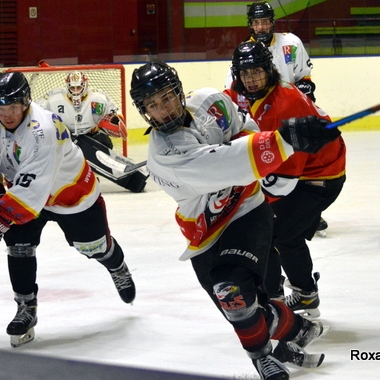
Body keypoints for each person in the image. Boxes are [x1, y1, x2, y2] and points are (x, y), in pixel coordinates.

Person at [130, 60, 341, 379]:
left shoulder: (209, 102)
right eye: (152, 105)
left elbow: (247, 131)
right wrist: (284, 141)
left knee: (234, 290)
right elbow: (230, 164)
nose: (163, 110)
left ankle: (265, 354)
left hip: (246, 210)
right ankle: (287, 334)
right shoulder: (167, 156)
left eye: (166, 97)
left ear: (178, 91)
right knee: (240, 307)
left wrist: (280, 140)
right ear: (144, 111)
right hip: (204, 233)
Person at [0, 72, 136, 348]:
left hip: (71, 194)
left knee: (94, 247)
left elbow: (34, 192)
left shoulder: (41, 128)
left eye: (12, 107)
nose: (6, 114)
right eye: (0, 107)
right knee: (18, 245)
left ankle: (117, 265)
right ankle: (25, 308)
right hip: (24, 193)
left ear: (25, 102)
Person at [228, 41, 346, 321]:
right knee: (274, 233)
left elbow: (283, 182)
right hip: (305, 173)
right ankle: (296, 294)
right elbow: (222, 102)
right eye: (245, 74)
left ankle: (286, 298)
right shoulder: (253, 92)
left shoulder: (284, 105)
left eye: (257, 71)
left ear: (269, 70)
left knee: (275, 235)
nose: (251, 79)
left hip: (318, 179)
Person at [225, 2, 328, 234]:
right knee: (271, 166)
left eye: (265, 22)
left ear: (272, 22)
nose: (261, 27)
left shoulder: (290, 43)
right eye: (256, 22)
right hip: (262, 116)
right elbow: (232, 91)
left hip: (290, 111)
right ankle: (268, 209)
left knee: (301, 162)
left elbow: (305, 77)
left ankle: (309, 213)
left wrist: (302, 95)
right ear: (250, 25)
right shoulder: (244, 52)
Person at [40, 70, 148, 193]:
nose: (76, 91)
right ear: (67, 87)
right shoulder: (54, 98)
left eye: (79, 87)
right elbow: (37, 113)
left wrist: (116, 121)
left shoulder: (98, 98)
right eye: (73, 88)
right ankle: (73, 178)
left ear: (85, 85)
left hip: (91, 136)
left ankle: (93, 175)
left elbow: (115, 114)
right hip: (65, 139)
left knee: (104, 142)